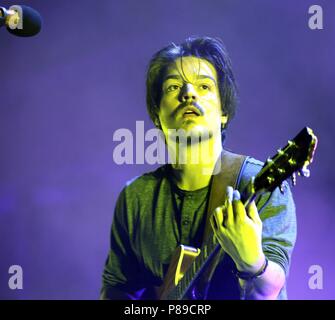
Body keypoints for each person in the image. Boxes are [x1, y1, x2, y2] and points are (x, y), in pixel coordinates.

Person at [100, 36, 297, 300]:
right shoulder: (135, 196)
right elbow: (114, 288)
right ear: (157, 115)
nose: (188, 93)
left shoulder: (259, 184)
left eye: (204, 86)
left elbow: (268, 292)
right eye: (173, 87)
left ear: (223, 111)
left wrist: (252, 262)